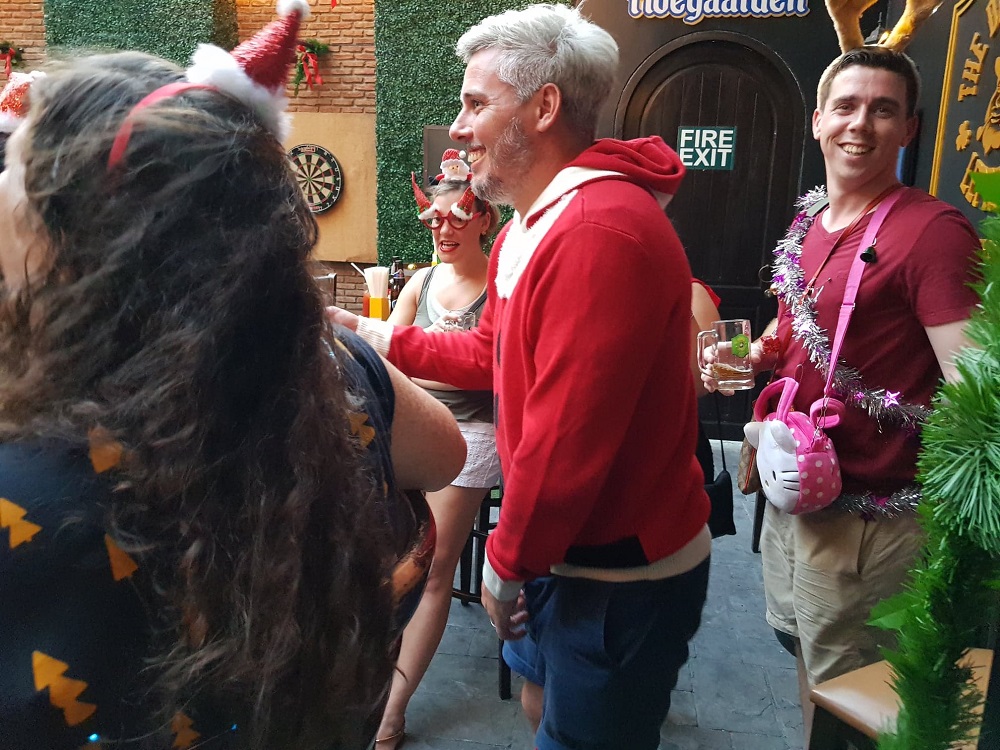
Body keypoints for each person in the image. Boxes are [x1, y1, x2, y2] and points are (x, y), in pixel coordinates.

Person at [0, 7, 466, 749]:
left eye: (12, 166)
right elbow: (444, 454)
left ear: (65, 236)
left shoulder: (24, 473)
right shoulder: (330, 370)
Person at [328, 4, 711, 748]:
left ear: (544, 107)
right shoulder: (530, 225)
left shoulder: (598, 231)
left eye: (476, 103)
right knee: (541, 704)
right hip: (565, 555)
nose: (460, 126)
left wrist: (504, 563)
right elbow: (488, 355)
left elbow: (568, 444)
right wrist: (378, 336)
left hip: (619, 574)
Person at [703, 46, 980, 738]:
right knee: (810, 665)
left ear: (909, 130)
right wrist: (741, 356)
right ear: (819, 121)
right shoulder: (811, 223)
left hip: (873, 521)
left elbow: (977, 395)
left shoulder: (932, 234)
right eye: (848, 107)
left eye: (884, 110)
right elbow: (788, 329)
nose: (862, 124)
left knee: (859, 696)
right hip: (797, 494)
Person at [374, 162, 501, 747]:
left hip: (474, 430)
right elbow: (387, 358)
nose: (443, 231)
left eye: (456, 219)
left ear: (484, 220)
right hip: (415, 424)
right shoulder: (422, 282)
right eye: (433, 222)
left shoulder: (502, 286)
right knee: (376, 552)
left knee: (430, 571)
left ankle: (393, 708)